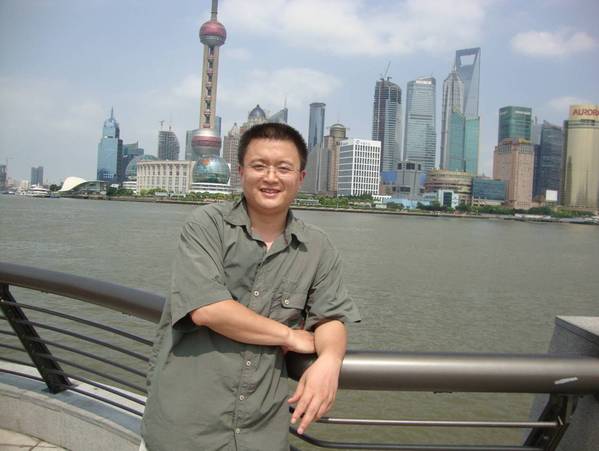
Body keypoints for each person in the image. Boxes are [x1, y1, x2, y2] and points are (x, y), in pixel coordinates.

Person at [140, 122, 360, 451]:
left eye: (283, 168)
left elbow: (330, 317)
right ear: (241, 172)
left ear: (300, 177)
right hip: (185, 429)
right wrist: (288, 336)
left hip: (261, 432)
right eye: (259, 166)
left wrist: (329, 361)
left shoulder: (317, 247)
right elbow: (208, 309)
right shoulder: (207, 225)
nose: (271, 177)